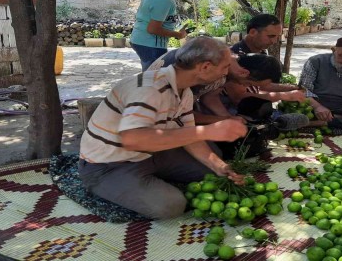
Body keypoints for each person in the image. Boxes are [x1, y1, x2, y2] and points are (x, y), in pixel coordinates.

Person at [78, 37, 247, 219]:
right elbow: (133, 140)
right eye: (225, 67)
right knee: (171, 206)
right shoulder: (149, 89)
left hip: (151, 154)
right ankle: (105, 185)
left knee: (213, 165)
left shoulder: (185, 90)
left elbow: (189, 135)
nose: (226, 73)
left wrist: (219, 166)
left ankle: (148, 179)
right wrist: (207, 131)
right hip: (109, 165)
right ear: (205, 67)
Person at [130, 0, 206, 71]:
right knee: (153, 78)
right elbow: (153, 29)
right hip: (151, 44)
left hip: (141, 40)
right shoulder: (163, 0)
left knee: (151, 76)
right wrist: (178, 34)